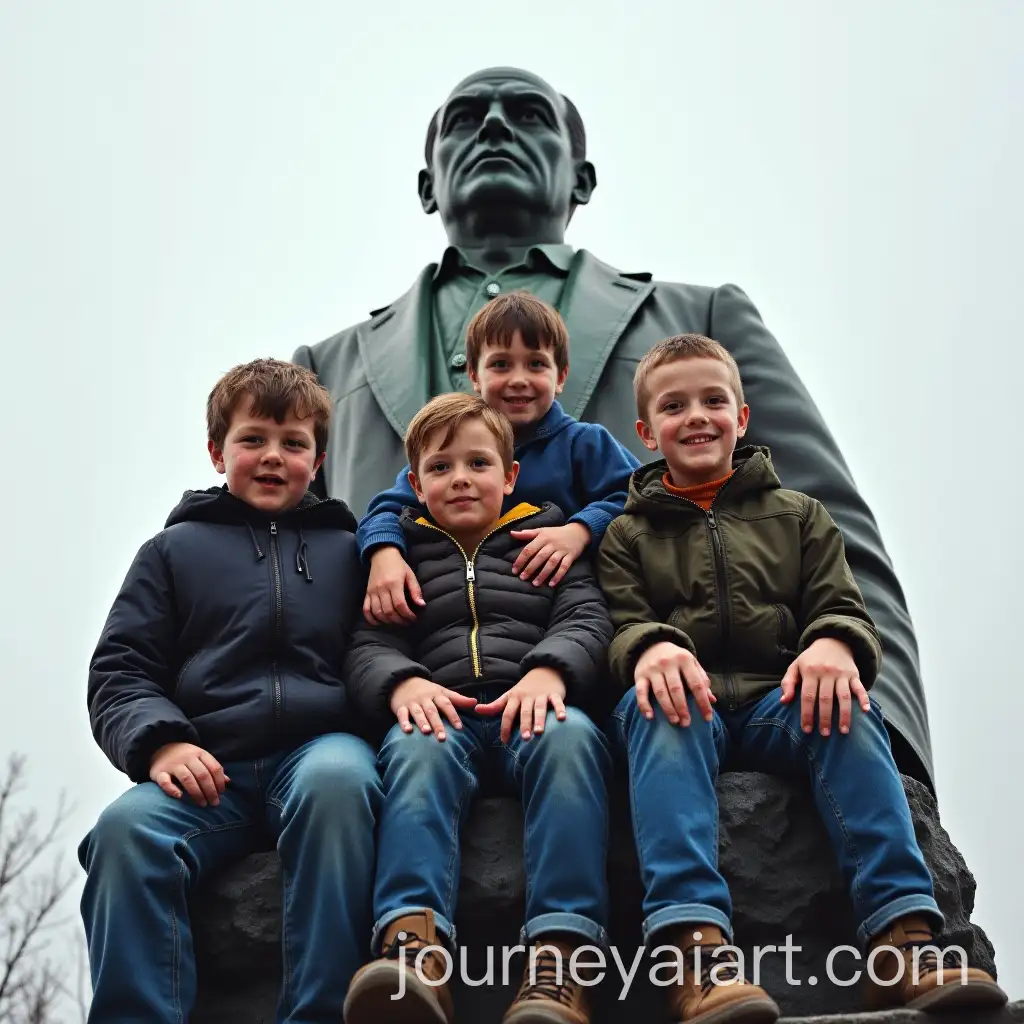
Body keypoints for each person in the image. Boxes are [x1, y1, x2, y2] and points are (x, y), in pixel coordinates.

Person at [291, 64, 934, 789]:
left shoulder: (703, 318)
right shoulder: (325, 365)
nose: (496, 127)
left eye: (529, 115)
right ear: (426, 186)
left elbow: (827, 523)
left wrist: (886, 740)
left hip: (682, 728)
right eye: (467, 119)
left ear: (583, 178)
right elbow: (287, 559)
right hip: (399, 746)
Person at [596, 334, 1007, 1022]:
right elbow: (621, 620)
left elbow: (840, 604)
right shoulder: (626, 534)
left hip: (775, 697)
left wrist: (836, 647)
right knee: (659, 717)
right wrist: (648, 649)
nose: (696, 416)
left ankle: (902, 937)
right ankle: (694, 951)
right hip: (681, 699)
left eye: (713, 401)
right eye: (674, 405)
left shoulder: (798, 515)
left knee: (850, 714)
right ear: (646, 431)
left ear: (743, 416)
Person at [78, 359, 382, 1023]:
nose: (273, 457)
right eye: (253, 440)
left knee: (339, 782)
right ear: (218, 451)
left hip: (318, 749)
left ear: (318, 458)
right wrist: (160, 746)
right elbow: (122, 669)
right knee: (124, 831)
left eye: (293, 444)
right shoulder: (171, 552)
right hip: (204, 769)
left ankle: (319, 1011)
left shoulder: (351, 551)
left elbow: (379, 651)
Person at [342, 392, 613, 1024]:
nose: (460, 478)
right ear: (415, 484)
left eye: (478, 464)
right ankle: (413, 946)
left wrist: (550, 670)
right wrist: (402, 685)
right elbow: (365, 643)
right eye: (440, 468)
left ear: (510, 474)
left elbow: (587, 616)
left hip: (533, 706)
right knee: (414, 751)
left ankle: (560, 957)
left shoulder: (543, 535)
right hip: (444, 714)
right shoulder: (399, 554)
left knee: (571, 741)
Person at [357, 289, 639, 626]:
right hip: (470, 616)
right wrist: (384, 552)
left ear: (561, 376)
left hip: (569, 609)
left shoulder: (585, 443)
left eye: (536, 364)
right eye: (501, 364)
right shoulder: (449, 452)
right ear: (475, 376)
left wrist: (579, 530)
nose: (518, 380)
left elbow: (636, 496)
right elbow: (386, 509)